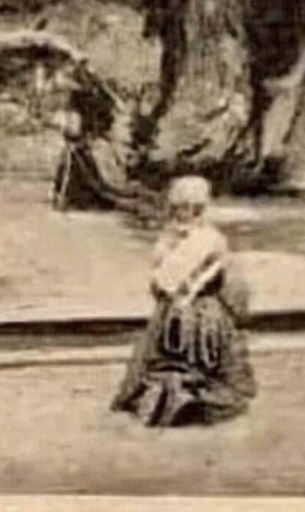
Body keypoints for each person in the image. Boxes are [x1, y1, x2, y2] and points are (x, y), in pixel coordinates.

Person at [110, 175, 256, 427]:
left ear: (197, 208)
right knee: (164, 355)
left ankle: (190, 398)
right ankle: (170, 394)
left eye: (187, 208)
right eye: (178, 208)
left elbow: (186, 279)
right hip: (176, 309)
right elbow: (160, 278)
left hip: (202, 312)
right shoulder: (174, 237)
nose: (181, 213)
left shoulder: (209, 239)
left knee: (202, 357)